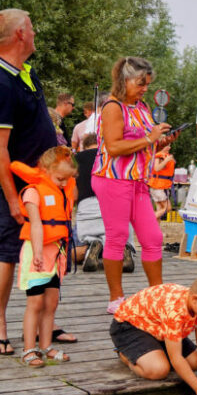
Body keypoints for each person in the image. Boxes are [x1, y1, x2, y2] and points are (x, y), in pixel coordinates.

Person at [93, 56, 175, 314]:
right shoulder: (112, 107)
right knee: (117, 236)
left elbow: (145, 142)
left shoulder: (141, 106)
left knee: (153, 237)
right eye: (140, 83)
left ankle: (157, 294)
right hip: (112, 179)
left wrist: (161, 140)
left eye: (147, 84)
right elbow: (115, 147)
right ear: (124, 80)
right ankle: (116, 298)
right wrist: (150, 138)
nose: (144, 88)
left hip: (138, 181)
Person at [0, 10, 59, 355]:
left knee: (49, 248)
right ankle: (2, 325)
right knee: (7, 254)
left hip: (45, 184)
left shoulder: (25, 73)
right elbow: (1, 149)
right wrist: (11, 197)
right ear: (20, 34)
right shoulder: (3, 83)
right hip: (17, 187)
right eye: (32, 28)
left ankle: (40, 324)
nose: (35, 33)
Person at [110, 272, 197, 395]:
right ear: (195, 299)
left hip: (157, 328)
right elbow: (176, 358)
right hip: (128, 326)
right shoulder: (174, 310)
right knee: (159, 369)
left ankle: (153, 351)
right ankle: (124, 354)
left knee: (195, 361)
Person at [13, 147, 77, 367]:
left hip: (57, 252)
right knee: (35, 302)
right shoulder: (34, 192)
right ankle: (29, 349)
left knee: (51, 302)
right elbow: (37, 226)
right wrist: (39, 252)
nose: (63, 183)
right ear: (46, 170)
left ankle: (46, 346)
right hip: (37, 251)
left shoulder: (64, 188)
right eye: (60, 178)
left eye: (67, 179)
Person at [76, 134, 106, 272]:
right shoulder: (111, 157)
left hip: (86, 207)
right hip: (111, 206)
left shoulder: (76, 159)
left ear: (84, 146)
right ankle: (123, 251)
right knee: (114, 242)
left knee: (75, 253)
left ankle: (91, 246)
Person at [149, 143, 175, 220]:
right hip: (159, 186)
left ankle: (156, 231)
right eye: (168, 145)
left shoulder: (162, 155)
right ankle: (147, 220)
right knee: (168, 208)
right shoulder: (160, 155)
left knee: (159, 208)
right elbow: (156, 168)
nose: (169, 147)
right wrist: (166, 160)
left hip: (157, 185)